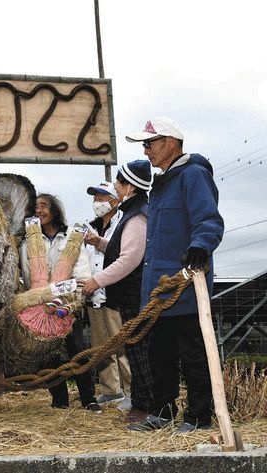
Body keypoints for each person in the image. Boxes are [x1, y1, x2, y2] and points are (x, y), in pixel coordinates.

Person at [124, 117, 224, 433]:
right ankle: (163, 412)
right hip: (159, 290)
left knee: (193, 355)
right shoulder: (163, 182)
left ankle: (198, 417)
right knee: (160, 356)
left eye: (150, 143)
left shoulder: (193, 175)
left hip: (186, 285)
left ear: (170, 142)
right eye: (144, 144)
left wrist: (200, 245)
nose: (146, 149)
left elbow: (209, 220)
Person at [83, 161, 154, 424]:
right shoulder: (131, 213)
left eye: (120, 182)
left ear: (130, 187)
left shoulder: (136, 217)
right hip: (127, 294)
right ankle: (141, 404)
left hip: (133, 294)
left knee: (137, 352)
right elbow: (119, 250)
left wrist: (97, 280)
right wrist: (100, 243)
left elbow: (129, 259)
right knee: (134, 350)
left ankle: (144, 406)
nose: (116, 187)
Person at [19, 194, 102, 413]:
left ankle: (88, 398)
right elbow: (27, 273)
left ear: (54, 211)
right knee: (47, 355)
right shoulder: (28, 241)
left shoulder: (70, 239)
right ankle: (59, 399)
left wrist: (67, 294)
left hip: (67, 304)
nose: (39, 211)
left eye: (44, 206)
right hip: (41, 305)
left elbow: (82, 273)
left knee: (77, 349)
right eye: (35, 207)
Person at [84, 182, 132, 411]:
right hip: (93, 295)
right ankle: (111, 391)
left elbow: (124, 256)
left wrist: (99, 243)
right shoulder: (89, 227)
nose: (97, 202)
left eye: (102, 198)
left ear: (115, 200)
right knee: (101, 347)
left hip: (115, 294)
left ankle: (132, 392)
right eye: (96, 198)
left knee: (122, 345)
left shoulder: (124, 224)